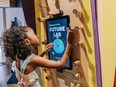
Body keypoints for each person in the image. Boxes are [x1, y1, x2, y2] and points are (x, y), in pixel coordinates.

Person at [3, 26, 75, 87]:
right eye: (34, 34)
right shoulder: (33, 59)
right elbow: (61, 64)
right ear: (27, 42)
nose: (37, 35)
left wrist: (45, 51)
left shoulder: (18, 59)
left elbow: (31, 64)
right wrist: (69, 43)